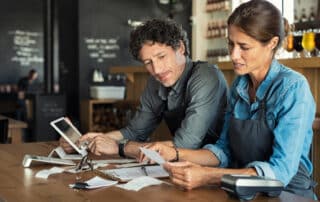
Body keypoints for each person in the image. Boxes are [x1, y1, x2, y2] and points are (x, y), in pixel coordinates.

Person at [141, 0, 317, 199]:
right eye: (230, 44)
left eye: (244, 47)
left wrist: (208, 176)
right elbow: (224, 150)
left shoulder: (293, 88)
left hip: (288, 195)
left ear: (272, 44)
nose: (234, 55)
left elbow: (280, 174)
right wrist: (174, 153)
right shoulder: (239, 86)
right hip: (243, 192)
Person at [60, 19, 228, 158]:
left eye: (161, 57)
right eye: (148, 62)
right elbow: (135, 131)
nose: (157, 69)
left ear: (180, 48)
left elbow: (185, 145)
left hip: (219, 168)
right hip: (184, 166)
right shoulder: (156, 81)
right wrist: (94, 139)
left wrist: (119, 148)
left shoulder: (206, 76)